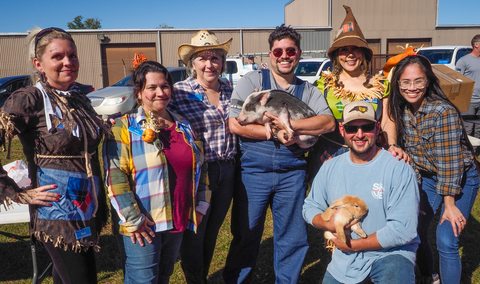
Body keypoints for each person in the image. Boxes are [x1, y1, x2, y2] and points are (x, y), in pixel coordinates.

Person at [223, 25, 335, 283]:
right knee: (246, 234)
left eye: (290, 50)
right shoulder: (252, 82)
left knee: (293, 237)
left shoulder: (308, 91)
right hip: (253, 173)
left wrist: (291, 127)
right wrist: (273, 133)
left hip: (292, 173)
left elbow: (328, 123)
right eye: (278, 51)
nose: (284, 56)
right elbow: (235, 123)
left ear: (298, 54)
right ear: (270, 54)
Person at [0, 27, 109, 283]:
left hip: (86, 206)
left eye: (72, 55)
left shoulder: (79, 98)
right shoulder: (29, 98)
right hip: (56, 213)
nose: (67, 62)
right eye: (57, 56)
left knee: (66, 277)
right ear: (39, 63)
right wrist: (15, 191)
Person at [104, 60, 210, 284]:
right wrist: (134, 220)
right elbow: (115, 177)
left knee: (163, 277)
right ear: (139, 92)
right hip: (144, 223)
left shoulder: (184, 125)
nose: (160, 93)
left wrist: (201, 205)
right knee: (143, 280)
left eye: (165, 86)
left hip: (177, 218)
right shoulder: (123, 127)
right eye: (151, 88)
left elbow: (201, 167)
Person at [303, 100, 420, 284]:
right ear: (342, 131)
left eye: (366, 127)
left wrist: (353, 245)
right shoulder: (330, 167)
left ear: (377, 128)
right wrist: (327, 223)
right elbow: (310, 206)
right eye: (351, 129)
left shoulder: (398, 168)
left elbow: (403, 230)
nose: (359, 134)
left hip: (390, 254)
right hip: (345, 260)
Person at [388, 54, 480, 284]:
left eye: (418, 81)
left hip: (460, 177)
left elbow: (450, 162)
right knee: (415, 230)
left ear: (428, 81)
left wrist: (449, 204)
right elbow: (415, 159)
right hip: (428, 176)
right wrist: (414, 196)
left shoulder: (443, 112)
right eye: (405, 82)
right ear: (397, 83)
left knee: (446, 239)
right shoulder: (403, 110)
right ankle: (431, 276)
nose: (412, 87)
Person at [308, 5, 407, 183]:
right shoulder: (323, 85)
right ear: (337, 55)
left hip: (369, 152)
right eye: (344, 49)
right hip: (331, 153)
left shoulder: (380, 84)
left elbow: (387, 119)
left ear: (364, 54)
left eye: (356, 48)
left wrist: (392, 144)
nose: (350, 54)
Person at [170, 30, 236, 283]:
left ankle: (203, 276)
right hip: (200, 173)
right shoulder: (179, 92)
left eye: (215, 58)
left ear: (222, 62)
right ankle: (195, 278)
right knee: (195, 231)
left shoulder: (231, 89)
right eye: (202, 58)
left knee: (213, 231)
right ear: (192, 64)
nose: (209, 64)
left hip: (228, 170)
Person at [456, 34, 480, 138]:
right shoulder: (463, 61)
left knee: (478, 130)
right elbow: (457, 80)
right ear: (476, 45)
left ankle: (476, 153)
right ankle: (467, 153)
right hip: (469, 101)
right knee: (468, 129)